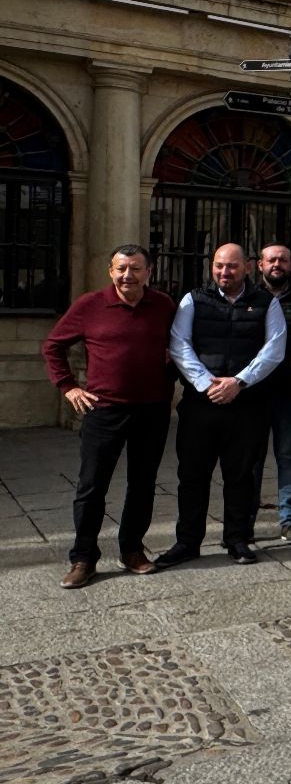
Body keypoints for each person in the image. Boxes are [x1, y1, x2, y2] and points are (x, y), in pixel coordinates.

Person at [42, 244, 177, 589]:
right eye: (121, 269)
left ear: (149, 272)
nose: (127, 275)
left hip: (152, 410)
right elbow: (52, 346)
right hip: (104, 410)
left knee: (143, 483)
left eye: (135, 269)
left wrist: (171, 373)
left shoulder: (163, 305)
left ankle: (132, 550)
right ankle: (83, 558)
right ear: (110, 271)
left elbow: (182, 346)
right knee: (91, 485)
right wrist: (68, 387)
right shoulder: (89, 305)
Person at [158, 243, 286, 568]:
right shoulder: (193, 299)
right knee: (192, 476)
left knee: (241, 476)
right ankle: (187, 542)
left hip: (246, 405)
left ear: (247, 267)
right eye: (218, 265)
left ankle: (237, 539)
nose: (224, 272)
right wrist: (207, 384)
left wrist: (238, 382)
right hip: (201, 405)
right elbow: (179, 344)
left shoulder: (266, 302)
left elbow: (274, 349)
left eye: (231, 266)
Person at [252, 244, 291, 545]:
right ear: (260, 264)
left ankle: (289, 521)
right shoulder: (249, 297)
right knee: (251, 459)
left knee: (288, 457)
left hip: (290, 393)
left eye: (283, 260)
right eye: (271, 260)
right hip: (253, 394)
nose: (277, 264)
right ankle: (244, 520)